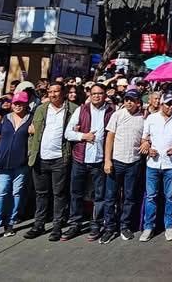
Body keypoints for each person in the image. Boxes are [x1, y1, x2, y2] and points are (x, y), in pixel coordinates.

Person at [24, 83, 77, 241]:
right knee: (41, 194)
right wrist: (30, 150)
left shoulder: (73, 109)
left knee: (59, 194)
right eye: (50, 92)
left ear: (63, 93)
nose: (53, 94)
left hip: (60, 157)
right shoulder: (41, 108)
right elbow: (33, 132)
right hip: (40, 157)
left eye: (56, 91)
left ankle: (57, 226)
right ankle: (39, 224)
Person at [64, 83, 112, 241]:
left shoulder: (112, 111)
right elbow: (68, 133)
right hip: (80, 158)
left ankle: (96, 224)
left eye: (100, 93)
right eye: (94, 94)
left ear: (105, 95)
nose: (97, 96)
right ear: (89, 95)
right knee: (76, 193)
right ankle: (75, 224)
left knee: (99, 195)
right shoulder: (81, 109)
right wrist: (83, 136)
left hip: (99, 160)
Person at [139, 95, 172, 242]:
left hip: (171, 163)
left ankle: (169, 226)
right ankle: (149, 227)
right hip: (153, 163)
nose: (171, 107)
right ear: (161, 104)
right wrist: (148, 148)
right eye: (168, 104)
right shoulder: (151, 118)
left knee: (171, 197)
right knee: (151, 196)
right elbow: (144, 138)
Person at [101, 89, 145, 242]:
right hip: (117, 161)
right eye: (126, 99)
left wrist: (146, 142)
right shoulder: (117, 115)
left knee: (129, 196)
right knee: (110, 197)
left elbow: (146, 138)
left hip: (134, 161)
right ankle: (109, 228)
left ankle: (124, 226)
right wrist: (107, 160)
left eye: (132, 100)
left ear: (138, 102)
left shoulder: (143, 118)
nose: (128, 102)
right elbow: (109, 138)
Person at [0, 92, 30, 241]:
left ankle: (10, 223)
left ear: (26, 104)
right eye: (15, 102)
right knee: (0, 194)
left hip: (21, 163)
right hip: (3, 163)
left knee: (16, 193)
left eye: (21, 103)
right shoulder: (5, 119)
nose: (17, 105)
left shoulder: (31, 119)